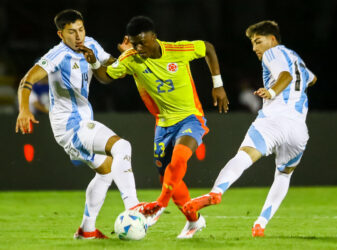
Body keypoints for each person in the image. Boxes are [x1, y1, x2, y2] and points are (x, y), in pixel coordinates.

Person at [91, 16, 229, 238]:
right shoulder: (130, 58)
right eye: (134, 43)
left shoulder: (178, 50)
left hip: (190, 117)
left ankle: (159, 205)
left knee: (179, 159)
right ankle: (194, 221)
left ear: (154, 37)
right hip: (163, 124)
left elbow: (208, 48)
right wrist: (94, 62)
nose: (138, 48)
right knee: (169, 176)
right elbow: (105, 77)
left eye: (142, 42)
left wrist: (218, 85)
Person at [183, 20, 317, 237]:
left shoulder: (272, 53)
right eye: (253, 44)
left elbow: (286, 76)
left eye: (258, 41)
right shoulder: (296, 57)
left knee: (243, 157)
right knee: (283, 176)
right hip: (299, 130)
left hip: (274, 119)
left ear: (272, 40)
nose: (255, 48)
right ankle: (260, 224)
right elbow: (311, 79)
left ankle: (216, 193)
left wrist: (272, 92)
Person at [15, 9, 141, 239]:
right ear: (60, 34)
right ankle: (135, 209)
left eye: (81, 29)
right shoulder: (57, 55)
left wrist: (123, 57)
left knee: (106, 171)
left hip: (83, 121)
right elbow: (27, 80)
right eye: (71, 32)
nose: (78, 36)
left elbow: (109, 73)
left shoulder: (90, 44)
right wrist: (24, 109)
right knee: (123, 146)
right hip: (69, 126)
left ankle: (87, 230)